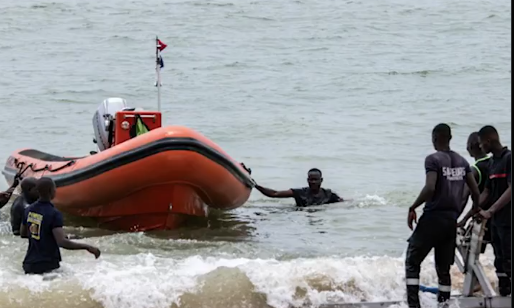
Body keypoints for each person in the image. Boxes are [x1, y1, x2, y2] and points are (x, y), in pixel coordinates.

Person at [405, 124, 480, 308]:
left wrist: (413, 206)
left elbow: (430, 188)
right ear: (450, 137)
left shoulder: (433, 159)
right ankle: (444, 305)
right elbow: (475, 193)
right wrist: (474, 211)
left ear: (435, 138)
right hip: (450, 221)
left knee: (412, 260)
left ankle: (414, 305)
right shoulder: (463, 162)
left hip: (432, 218)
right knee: (443, 268)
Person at [20, 177, 101, 275]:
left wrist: (44, 235)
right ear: (51, 191)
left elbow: (23, 233)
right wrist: (87, 247)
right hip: (47, 265)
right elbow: (61, 242)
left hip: (29, 263)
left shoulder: (28, 210)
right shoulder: (54, 213)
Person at [475, 125, 511, 296]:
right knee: (500, 260)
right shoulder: (492, 163)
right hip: (496, 223)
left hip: (508, 221)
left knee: (510, 259)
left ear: (488, 141)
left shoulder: (509, 159)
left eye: (481, 144)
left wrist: (491, 210)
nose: (480, 147)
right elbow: (487, 192)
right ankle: (503, 294)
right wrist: (472, 212)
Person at [458, 132, 493, 254]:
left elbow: (463, 198)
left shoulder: (474, 170)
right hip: (499, 216)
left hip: (482, 217)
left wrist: (459, 219)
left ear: (471, 146)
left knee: (469, 251)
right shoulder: (495, 163)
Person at [255, 168, 348, 207]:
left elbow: (343, 203)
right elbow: (274, 194)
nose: (313, 182)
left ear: (321, 180)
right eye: (311, 180)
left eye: (316, 180)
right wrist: (255, 186)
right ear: (307, 180)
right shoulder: (300, 193)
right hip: (300, 215)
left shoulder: (328, 194)